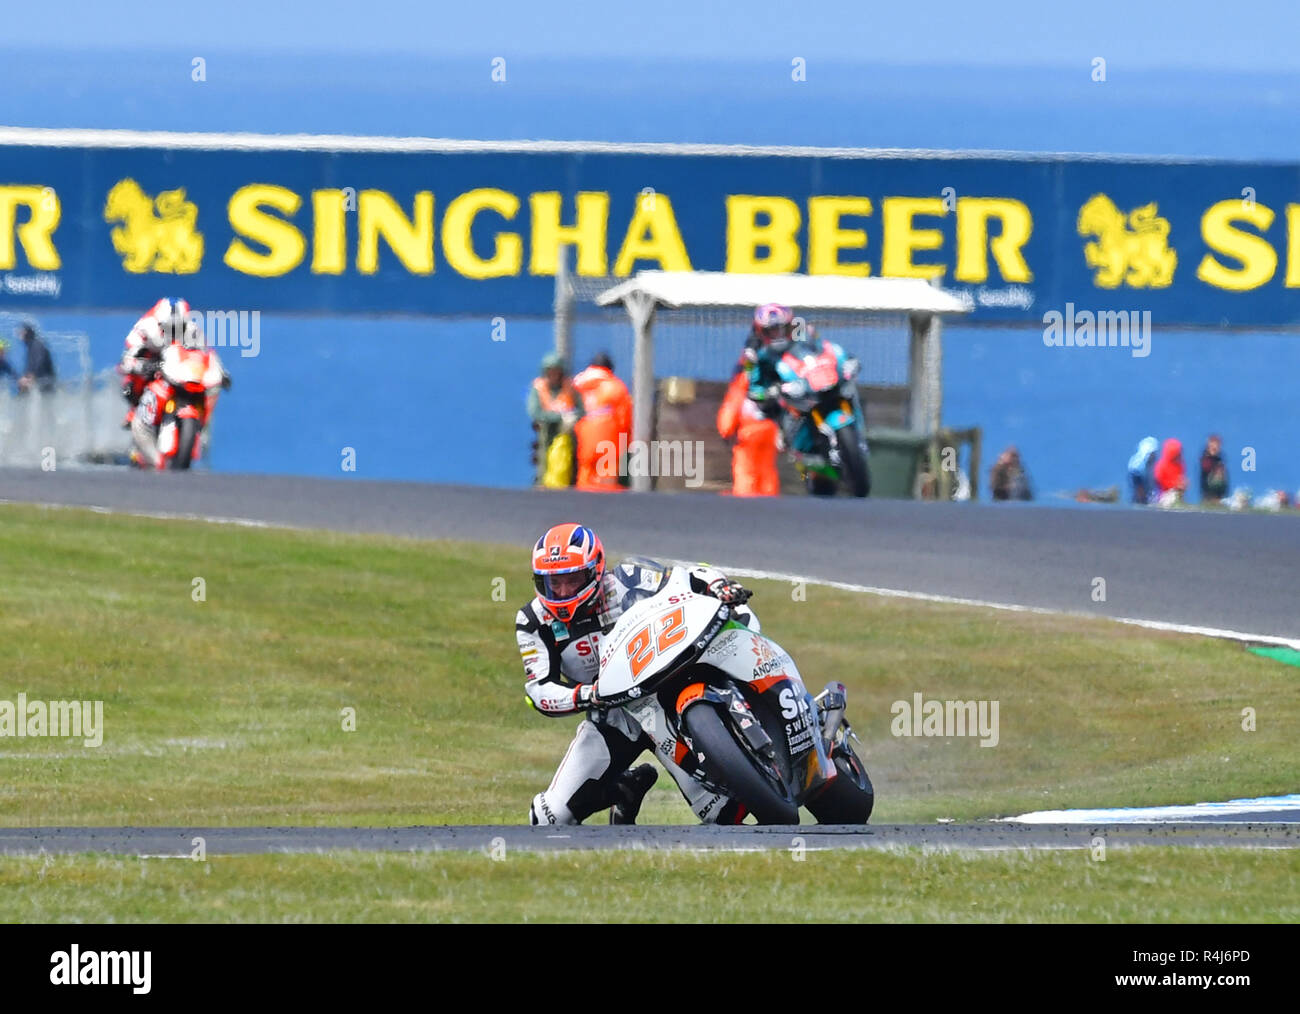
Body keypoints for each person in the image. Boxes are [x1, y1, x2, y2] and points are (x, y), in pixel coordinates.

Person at [520, 522, 759, 826]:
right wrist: (586, 695)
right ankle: (623, 790)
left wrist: (718, 584)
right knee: (546, 819)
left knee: (723, 812)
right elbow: (538, 689)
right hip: (611, 718)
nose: (563, 591)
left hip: (666, 697)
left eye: (572, 579)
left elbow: (686, 576)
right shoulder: (532, 621)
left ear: (594, 571)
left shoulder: (629, 579)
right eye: (554, 583)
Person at [129, 315, 229, 469]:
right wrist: (141, 365)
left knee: (209, 399)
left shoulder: (195, 337)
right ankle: (141, 445)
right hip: (161, 380)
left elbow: (208, 355)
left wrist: (221, 374)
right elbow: (131, 358)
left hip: (188, 384)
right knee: (142, 398)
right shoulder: (150, 334)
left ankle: (199, 440)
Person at [119, 297, 195, 426]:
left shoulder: (191, 330)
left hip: (177, 362)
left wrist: (216, 370)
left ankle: (201, 424)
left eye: (178, 327)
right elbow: (126, 360)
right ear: (160, 324)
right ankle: (135, 409)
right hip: (151, 358)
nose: (173, 332)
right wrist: (139, 365)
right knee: (131, 384)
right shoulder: (145, 327)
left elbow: (204, 354)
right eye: (169, 327)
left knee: (203, 385)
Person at [716, 363, 780, 496]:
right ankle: (769, 499)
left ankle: (746, 500)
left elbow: (730, 411)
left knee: (745, 469)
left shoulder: (740, 387)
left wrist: (726, 432)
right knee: (767, 468)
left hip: (748, 433)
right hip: (770, 431)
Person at [571, 352, 632, 492]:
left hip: (585, 437)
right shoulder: (616, 386)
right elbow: (624, 419)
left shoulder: (578, 384)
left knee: (585, 476)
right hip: (608, 439)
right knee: (606, 483)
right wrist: (627, 442)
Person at [527, 352, 583, 489]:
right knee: (544, 462)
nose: (554, 376)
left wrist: (572, 418)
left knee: (567, 463)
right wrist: (557, 417)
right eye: (550, 372)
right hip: (547, 434)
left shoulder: (570, 388)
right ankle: (542, 484)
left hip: (566, 434)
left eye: (557, 372)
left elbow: (581, 411)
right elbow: (535, 412)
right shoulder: (539, 388)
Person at [16, 323, 56, 393]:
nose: (19, 334)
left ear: (26, 332)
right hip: (40, 381)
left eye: (21, 331)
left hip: (45, 383)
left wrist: (30, 376)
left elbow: (39, 360)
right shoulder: (31, 346)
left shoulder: (36, 344)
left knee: (24, 392)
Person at [1153, 437, 1188, 502]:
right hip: (1165, 495)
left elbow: (1181, 478)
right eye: (1177, 453)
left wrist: (1183, 484)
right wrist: (1175, 485)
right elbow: (1160, 481)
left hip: (1178, 493)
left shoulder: (1180, 465)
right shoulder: (1162, 465)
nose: (1179, 455)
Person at [1127, 436, 1159, 504]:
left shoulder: (1149, 462)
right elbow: (1138, 487)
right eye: (1153, 453)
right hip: (1138, 478)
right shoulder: (1137, 465)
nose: (1155, 455)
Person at [1199, 434, 1229, 504]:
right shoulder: (1205, 459)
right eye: (1212, 446)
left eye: (1217, 446)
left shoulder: (1220, 460)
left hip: (1219, 496)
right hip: (1208, 496)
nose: (1215, 448)